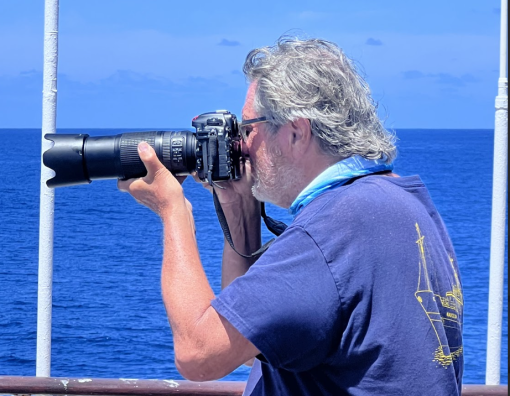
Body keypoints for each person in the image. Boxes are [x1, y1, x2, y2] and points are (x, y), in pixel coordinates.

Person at [118, 36, 464, 396]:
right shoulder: (396, 202)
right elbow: (250, 344)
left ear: (297, 132)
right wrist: (241, 213)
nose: (242, 145)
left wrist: (173, 210)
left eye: (249, 129)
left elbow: (198, 355)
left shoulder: (334, 230)